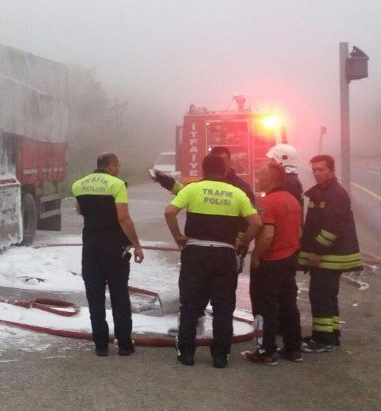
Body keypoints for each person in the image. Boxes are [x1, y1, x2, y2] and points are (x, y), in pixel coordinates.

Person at [164, 153, 262, 368]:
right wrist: (243, 243)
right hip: (224, 255)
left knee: (190, 305)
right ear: (225, 171)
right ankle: (220, 356)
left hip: (195, 253)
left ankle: (187, 353)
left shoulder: (192, 189)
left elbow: (170, 212)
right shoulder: (237, 193)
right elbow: (256, 223)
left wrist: (178, 237)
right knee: (223, 307)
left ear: (203, 169)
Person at [72, 153, 145, 357]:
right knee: (119, 295)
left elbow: (80, 210)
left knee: (95, 296)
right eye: (118, 165)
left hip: (91, 248)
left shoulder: (79, 184)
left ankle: (101, 345)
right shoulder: (117, 184)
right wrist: (136, 244)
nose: (119, 168)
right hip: (114, 247)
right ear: (111, 166)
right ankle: (124, 345)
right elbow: (123, 218)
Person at [299, 154, 363, 353]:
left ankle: (323, 340)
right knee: (327, 296)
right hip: (329, 256)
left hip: (329, 257)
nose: (317, 173)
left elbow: (332, 228)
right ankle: (331, 335)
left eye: (321, 169)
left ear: (332, 171)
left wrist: (316, 251)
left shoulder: (335, 194)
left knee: (320, 296)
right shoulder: (323, 192)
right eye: (314, 170)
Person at [241, 163, 304, 365]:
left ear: (270, 179)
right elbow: (299, 231)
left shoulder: (266, 202)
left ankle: (265, 351)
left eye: (260, 174)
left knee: (263, 306)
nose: (258, 177)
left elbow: (267, 234)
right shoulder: (293, 201)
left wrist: (256, 255)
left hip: (270, 262)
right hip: (289, 259)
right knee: (288, 304)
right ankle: (293, 349)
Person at [266, 143, 304, 208]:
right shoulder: (291, 179)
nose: (269, 163)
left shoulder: (286, 182)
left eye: (272, 160)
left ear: (282, 161)